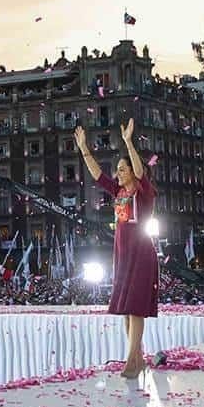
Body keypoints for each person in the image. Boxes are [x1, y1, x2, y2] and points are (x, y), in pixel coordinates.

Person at [75, 118, 158, 379]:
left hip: (141, 254)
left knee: (136, 308)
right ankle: (137, 357)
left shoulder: (144, 192)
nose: (119, 173)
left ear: (133, 171)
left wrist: (128, 142)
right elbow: (97, 174)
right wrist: (84, 149)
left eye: (123, 169)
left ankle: (132, 360)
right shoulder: (119, 191)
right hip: (122, 254)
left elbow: (140, 171)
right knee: (125, 309)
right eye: (119, 170)